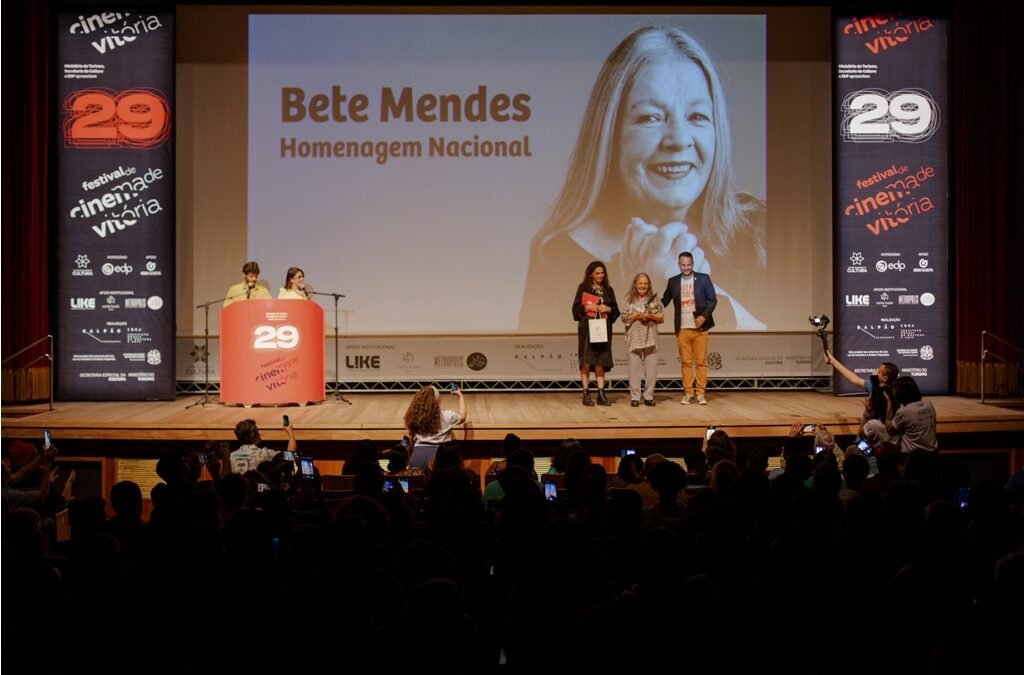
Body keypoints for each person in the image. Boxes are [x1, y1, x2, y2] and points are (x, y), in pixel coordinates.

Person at [519, 24, 766, 332]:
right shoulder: (556, 258)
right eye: (651, 118)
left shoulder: (758, 231)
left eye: (697, 117)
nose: (678, 139)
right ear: (611, 134)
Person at [662, 251, 715, 405]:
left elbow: (712, 300)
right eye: (683, 265)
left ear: (693, 264)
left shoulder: (704, 279)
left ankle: (700, 394)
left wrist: (704, 316)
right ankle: (688, 393)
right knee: (685, 362)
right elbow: (665, 300)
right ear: (678, 265)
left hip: (700, 328)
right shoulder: (673, 281)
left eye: (688, 265)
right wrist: (653, 305)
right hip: (682, 327)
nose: (686, 268)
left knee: (701, 362)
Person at [572, 260, 620, 406]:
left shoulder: (608, 290)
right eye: (597, 273)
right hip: (587, 328)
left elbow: (616, 311)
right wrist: (588, 308)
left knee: (600, 360)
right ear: (591, 274)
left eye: (602, 273)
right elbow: (575, 310)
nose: (601, 275)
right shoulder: (583, 288)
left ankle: (601, 393)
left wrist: (608, 309)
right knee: (586, 360)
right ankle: (586, 393)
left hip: (603, 328)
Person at [621, 272, 664, 406]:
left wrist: (649, 316)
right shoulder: (628, 300)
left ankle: (648, 396)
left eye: (645, 283)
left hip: (650, 337)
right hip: (634, 338)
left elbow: (661, 317)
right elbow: (623, 318)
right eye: (640, 283)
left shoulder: (655, 300)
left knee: (651, 370)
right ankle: (635, 397)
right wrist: (635, 316)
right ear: (635, 284)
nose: (643, 286)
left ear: (649, 285)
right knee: (634, 370)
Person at [403, 386, 468, 467]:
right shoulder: (446, 416)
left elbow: (408, 439)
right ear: (437, 400)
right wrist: (460, 396)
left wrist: (409, 454)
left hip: (418, 456)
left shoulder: (414, 417)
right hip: (439, 457)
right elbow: (462, 417)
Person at [887, 375, 938, 453]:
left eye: (894, 391)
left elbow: (890, 431)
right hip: (933, 453)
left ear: (900, 393)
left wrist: (890, 408)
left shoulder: (904, 411)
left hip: (912, 457)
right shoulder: (928, 403)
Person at [230, 417, 297, 474]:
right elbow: (290, 456)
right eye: (257, 431)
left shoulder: (231, 456)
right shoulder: (264, 454)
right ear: (254, 436)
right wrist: (290, 432)